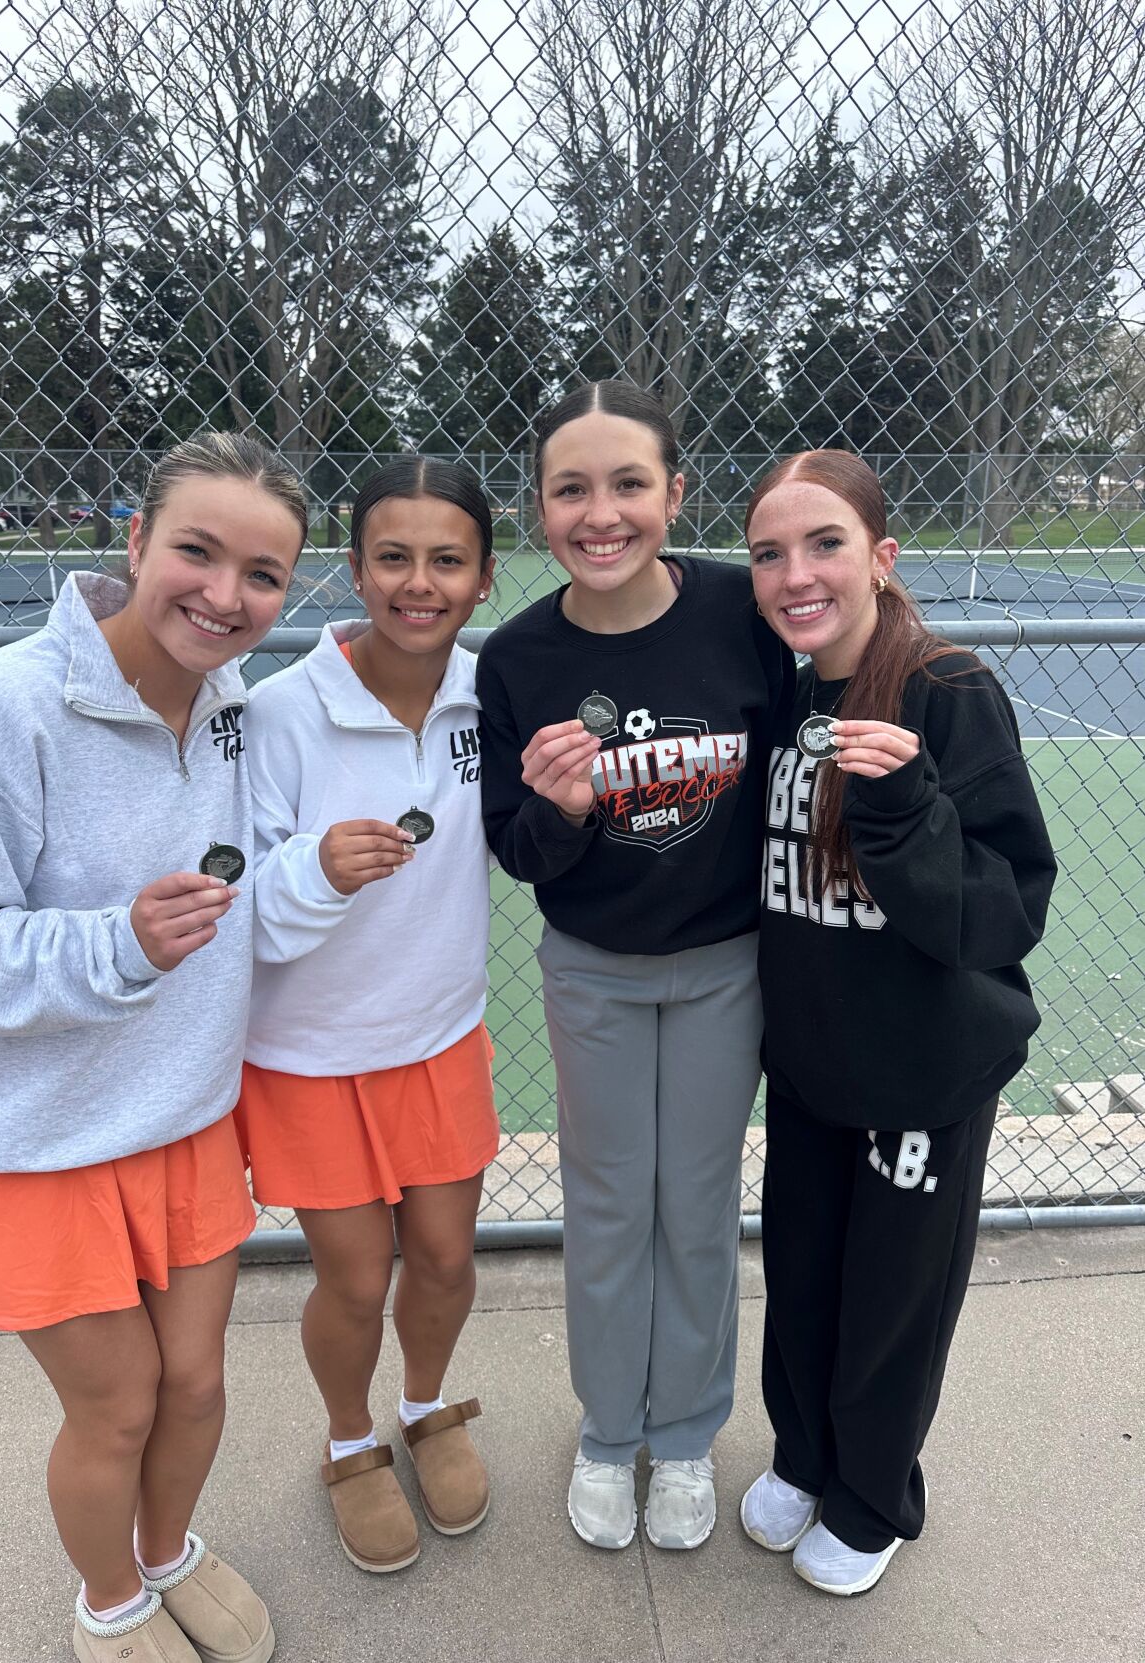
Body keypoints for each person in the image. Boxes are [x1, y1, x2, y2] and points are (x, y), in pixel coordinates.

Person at [0, 432, 305, 1663]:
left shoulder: (230, 707)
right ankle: (111, 1604)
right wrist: (117, 944)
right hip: (37, 1139)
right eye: (196, 551)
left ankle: (168, 1549)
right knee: (119, 1404)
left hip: (181, 1115)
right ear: (132, 542)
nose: (225, 596)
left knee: (194, 1386)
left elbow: (246, 896)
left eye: (264, 574)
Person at [475, 381, 792, 1551]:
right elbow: (513, 846)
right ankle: (611, 1433)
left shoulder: (737, 610)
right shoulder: (516, 657)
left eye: (626, 484)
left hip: (724, 968)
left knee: (696, 1210)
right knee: (610, 1209)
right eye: (569, 488)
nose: (598, 513)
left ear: (674, 491)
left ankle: (687, 1433)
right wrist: (560, 813)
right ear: (538, 508)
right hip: (594, 970)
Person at [740, 448, 1056, 1594]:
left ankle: (871, 1494)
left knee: (892, 1301)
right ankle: (802, 1453)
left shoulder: (945, 690)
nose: (794, 572)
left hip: (920, 1071)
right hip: (813, 1061)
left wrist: (899, 807)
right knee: (805, 1274)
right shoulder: (782, 687)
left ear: (878, 555)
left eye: (822, 543)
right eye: (767, 552)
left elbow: (998, 911)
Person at [235, 457, 499, 1575]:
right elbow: (237, 904)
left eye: (446, 560)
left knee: (442, 1257)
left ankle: (426, 1405)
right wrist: (312, 871)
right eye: (393, 556)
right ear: (354, 567)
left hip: (438, 1034)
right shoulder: (277, 713)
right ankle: (349, 1443)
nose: (418, 582)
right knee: (353, 1275)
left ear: (484, 578)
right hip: (308, 1055)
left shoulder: (495, 690)